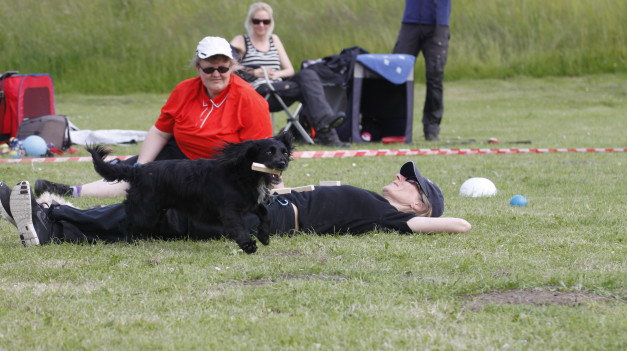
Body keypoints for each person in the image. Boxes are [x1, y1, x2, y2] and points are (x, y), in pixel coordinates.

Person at [0, 162, 471, 247]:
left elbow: (460, 225)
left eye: (412, 183)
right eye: (405, 174)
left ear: (419, 207)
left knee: (168, 215)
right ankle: (54, 224)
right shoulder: (369, 199)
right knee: (161, 214)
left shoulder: (389, 218)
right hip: (259, 204)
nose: (402, 177)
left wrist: (435, 217)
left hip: (265, 220)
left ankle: (53, 221)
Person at [35, 36, 273, 198]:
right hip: (179, 153)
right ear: (198, 68)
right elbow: (160, 131)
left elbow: (261, 155)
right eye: (208, 69)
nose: (216, 74)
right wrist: (141, 166)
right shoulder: (184, 90)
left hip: (220, 169)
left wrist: (264, 186)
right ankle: (71, 192)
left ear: (232, 66)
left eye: (222, 68)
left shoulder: (250, 100)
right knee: (131, 172)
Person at [230, 2, 348, 147]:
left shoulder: (274, 39)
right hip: (260, 91)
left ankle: (324, 123)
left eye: (266, 21)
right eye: (257, 21)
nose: (261, 25)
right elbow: (230, 64)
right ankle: (327, 134)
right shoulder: (242, 40)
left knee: (308, 74)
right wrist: (254, 72)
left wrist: (275, 74)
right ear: (250, 22)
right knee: (309, 90)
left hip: (280, 85)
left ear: (271, 22)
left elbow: (289, 70)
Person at [392, 0, 451, 141]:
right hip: (411, 21)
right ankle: (393, 124)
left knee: (435, 77)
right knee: (395, 73)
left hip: (438, 22)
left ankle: (431, 128)